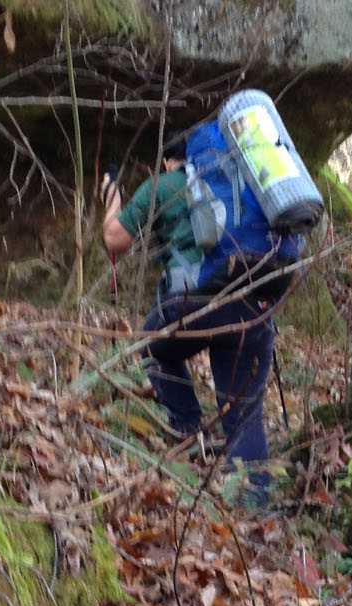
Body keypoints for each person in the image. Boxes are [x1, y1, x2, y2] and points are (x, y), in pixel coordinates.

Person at [101, 131, 277, 468]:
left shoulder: (164, 185)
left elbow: (115, 239)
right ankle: (255, 494)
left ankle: (188, 430)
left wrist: (113, 201)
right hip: (251, 307)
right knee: (244, 417)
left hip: (192, 303)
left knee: (153, 347)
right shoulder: (238, 185)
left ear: (167, 161)